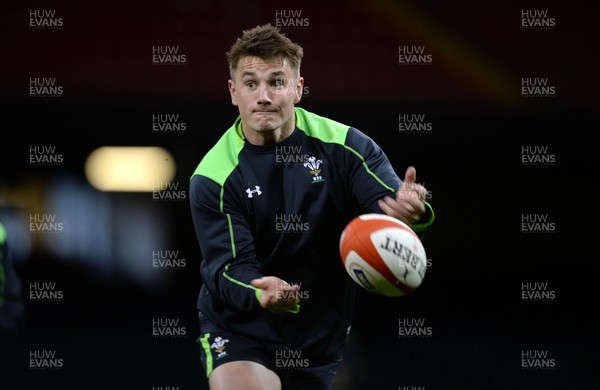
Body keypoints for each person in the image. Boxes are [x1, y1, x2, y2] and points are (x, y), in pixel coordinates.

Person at [189, 23, 434, 390]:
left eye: (277, 81)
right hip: (241, 325)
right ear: (233, 92)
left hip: (319, 333)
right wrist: (261, 291)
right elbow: (228, 269)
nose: (264, 95)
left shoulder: (347, 146)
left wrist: (413, 212)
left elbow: (389, 203)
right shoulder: (213, 177)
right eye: (251, 83)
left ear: (298, 89)